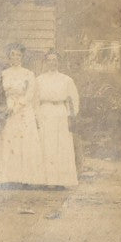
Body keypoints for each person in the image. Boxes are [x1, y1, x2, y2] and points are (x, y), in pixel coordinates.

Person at [0, 44, 43, 187]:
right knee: (8, 141)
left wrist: (15, 107)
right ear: (8, 57)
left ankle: (26, 179)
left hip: (23, 111)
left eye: (18, 55)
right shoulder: (4, 73)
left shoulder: (28, 74)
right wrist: (3, 108)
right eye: (12, 55)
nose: (15, 58)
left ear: (22, 57)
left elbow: (30, 95)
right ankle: (7, 178)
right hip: (7, 110)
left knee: (24, 142)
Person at [35, 50, 80, 188]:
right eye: (49, 60)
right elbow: (35, 101)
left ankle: (62, 181)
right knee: (47, 145)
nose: (52, 62)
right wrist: (36, 116)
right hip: (45, 112)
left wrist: (70, 116)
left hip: (60, 113)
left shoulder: (66, 80)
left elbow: (74, 99)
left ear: (58, 62)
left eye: (55, 60)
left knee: (61, 146)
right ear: (45, 62)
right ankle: (47, 181)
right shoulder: (39, 80)